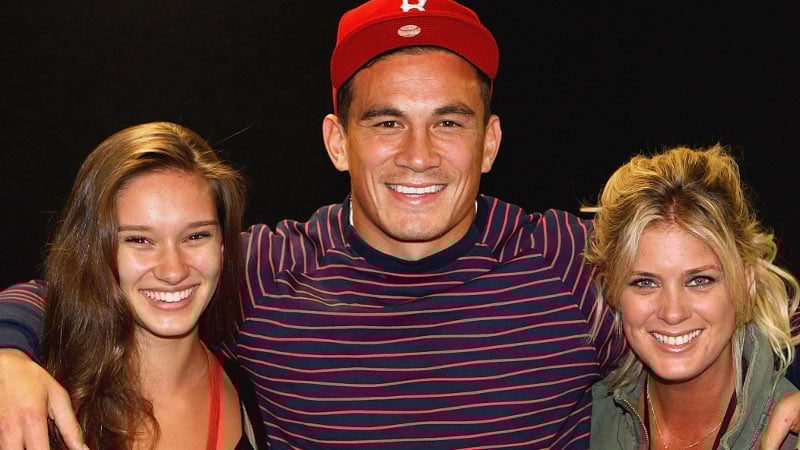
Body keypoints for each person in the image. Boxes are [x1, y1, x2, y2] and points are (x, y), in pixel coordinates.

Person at [0, 2, 798, 449]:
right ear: (337, 140)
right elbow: (82, 280)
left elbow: (730, 298)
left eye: (448, 123)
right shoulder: (266, 271)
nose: (418, 155)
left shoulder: (566, 259)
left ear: (489, 142)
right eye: (386, 123)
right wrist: (7, 354)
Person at [6, 121, 264, 449]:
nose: (173, 270)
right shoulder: (31, 399)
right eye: (140, 239)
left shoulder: (251, 390)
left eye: (196, 236)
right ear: (95, 250)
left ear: (224, 246)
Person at [585, 145, 800, 449]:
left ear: (746, 284)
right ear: (614, 291)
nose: (673, 313)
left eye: (699, 280)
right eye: (645, 282)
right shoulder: (587, 418)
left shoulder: (790, 432)